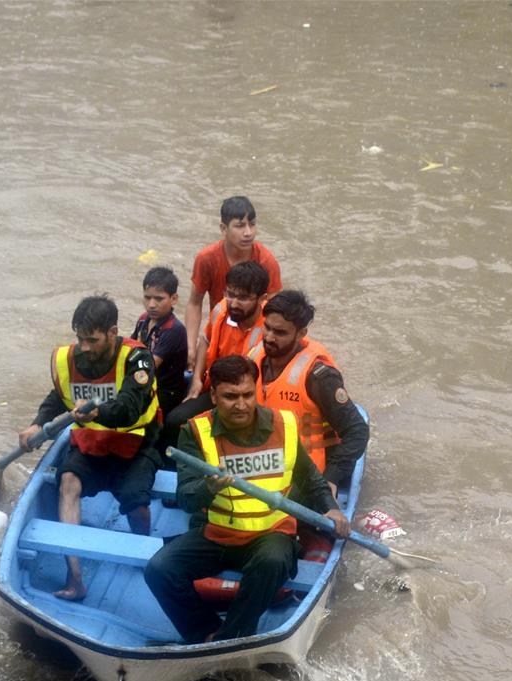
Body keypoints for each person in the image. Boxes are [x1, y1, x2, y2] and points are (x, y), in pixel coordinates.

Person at [144, 355, 350, 644]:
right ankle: (204, 632)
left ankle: (232, 638)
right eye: (230, 397)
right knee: (159, 569)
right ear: (213, 395)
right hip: (218, 534)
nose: (241, 405)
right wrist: (208, 487)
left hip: (271, 534)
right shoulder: (194, 432)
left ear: (256, 391)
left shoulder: (284, 425)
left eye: (247, 395)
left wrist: (331, 509)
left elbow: (311, 479)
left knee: (271, 561)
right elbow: (187, 499)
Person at [18, 294, 161, 601]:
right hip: (90, 444)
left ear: (112, 332)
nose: (85, 347)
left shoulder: (137, 359)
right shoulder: (71, 359)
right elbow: (57, 397)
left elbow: (130, 408)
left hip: (135, 444)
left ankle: (145, 554)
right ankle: (75, 577)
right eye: (80, 339)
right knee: (67, 482)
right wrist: (37, 423)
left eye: (92, 340)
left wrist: (99, 411)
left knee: (136, 504)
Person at [249, 290, 369, 497]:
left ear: (301, 333)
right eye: (266, 327)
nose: (268, 337)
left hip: (307, 469)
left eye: (280, 333)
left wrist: (330, 478)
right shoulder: (255, 356)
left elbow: (357, 431)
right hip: (266, 458)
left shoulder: (320, 377)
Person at [159, 260, 269, 456]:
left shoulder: (270, 331)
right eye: (230, 294)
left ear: (262, 298)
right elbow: (206, 341)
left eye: (243, 298)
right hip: (212, 386)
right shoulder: (221, 309)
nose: (234, 303)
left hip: (240, 396)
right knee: (165, 414)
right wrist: (196, 380)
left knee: (176, 421)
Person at [184, 195, 282, 369]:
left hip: (254, 340)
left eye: (252, 224)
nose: (248, 232)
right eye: (240, 225)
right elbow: (194, 303)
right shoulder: (206, 259)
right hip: (220, 331)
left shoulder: (267, 262)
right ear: (223, 228)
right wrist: (190, 347)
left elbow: (275, 313)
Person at [131, 266, 188, 419]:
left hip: (165, 392)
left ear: (174, 299)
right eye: (147, 297)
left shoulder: (173, 329)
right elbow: (128, 349)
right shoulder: (143, 319)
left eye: (158, 298)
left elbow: (148, 366)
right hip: (145, 383)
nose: (151, 304)